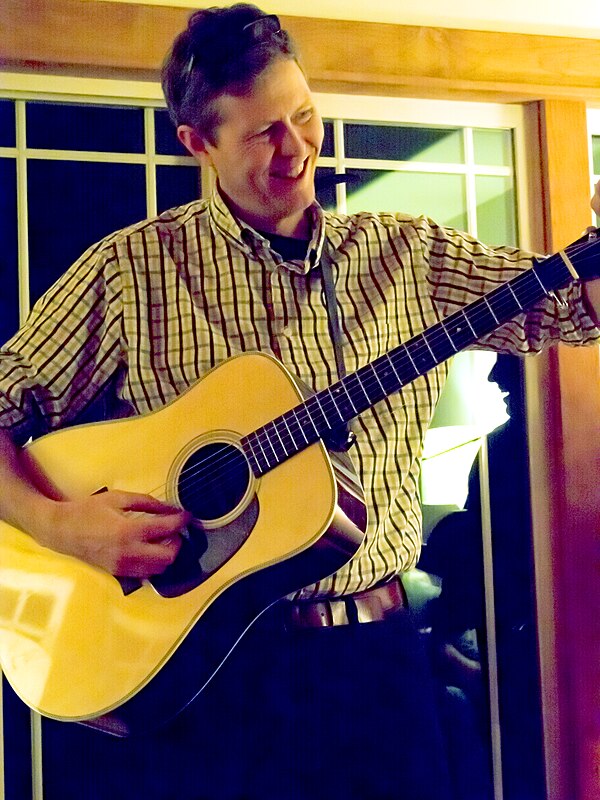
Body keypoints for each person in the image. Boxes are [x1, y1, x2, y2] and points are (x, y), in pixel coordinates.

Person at [0, 5, 598, 800]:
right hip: (210, 682)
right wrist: (62, 525)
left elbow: (570, 308)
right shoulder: (131, 272)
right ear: (197, 143)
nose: (297, 148)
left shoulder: (405, 256)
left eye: (304, 115)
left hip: (379, 668)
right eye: (262, 134)